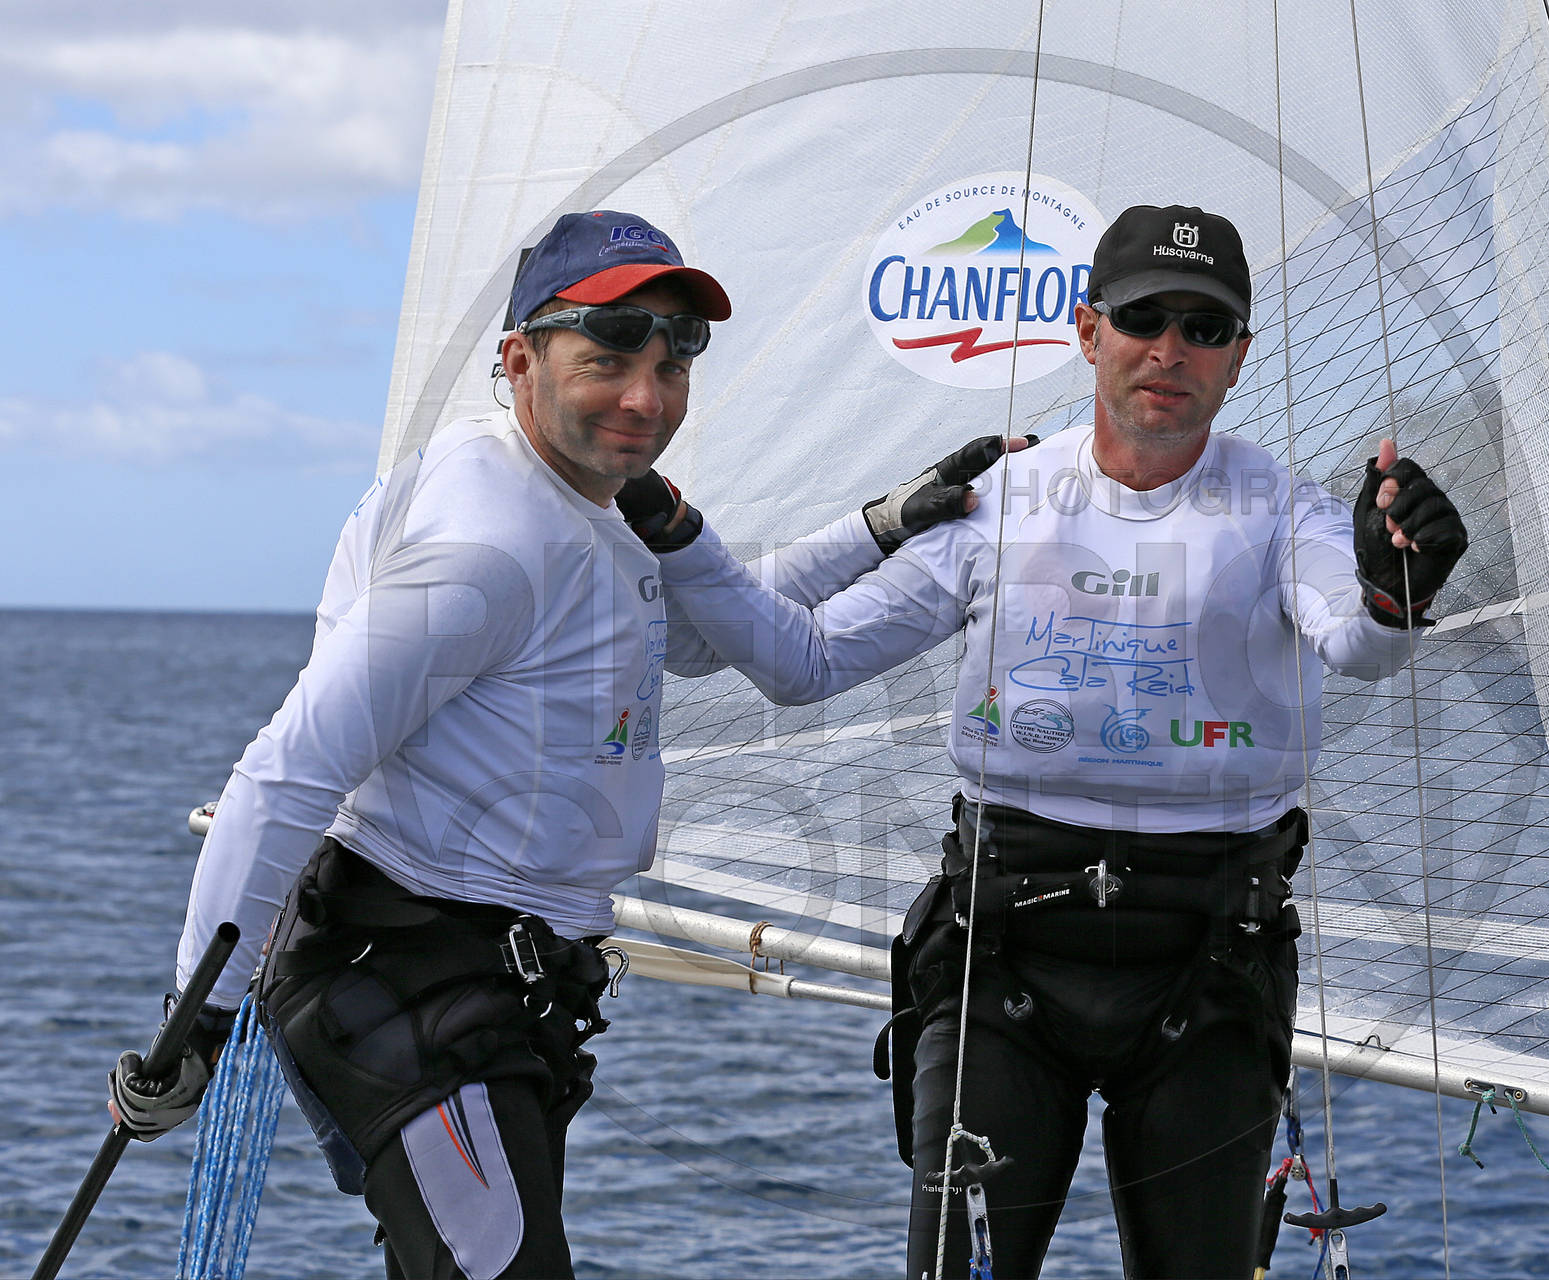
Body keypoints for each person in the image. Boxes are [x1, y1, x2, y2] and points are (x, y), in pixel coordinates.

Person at [105, 208, 1021, 1279]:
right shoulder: (487, 547)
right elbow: (288, 771)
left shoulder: (588, 503)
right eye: (608, 358)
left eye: (673, 362)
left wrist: (881, 526)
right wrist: (199, 1021)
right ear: (519, 359)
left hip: (498, 989)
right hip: (407, 976)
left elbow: (708, 633)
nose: (646, 397)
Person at [646, 204, 1469, 1279]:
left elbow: (1356, 644)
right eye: (1143, 317)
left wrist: (1399, 590)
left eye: (1204, 328)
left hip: (1212, 962)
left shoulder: (1283, 509)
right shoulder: (999, 501)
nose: (1169, 349)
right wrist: (691, 533)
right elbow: (799, 665)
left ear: (1238, 359)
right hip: (1003, 956)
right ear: (1088, 330)